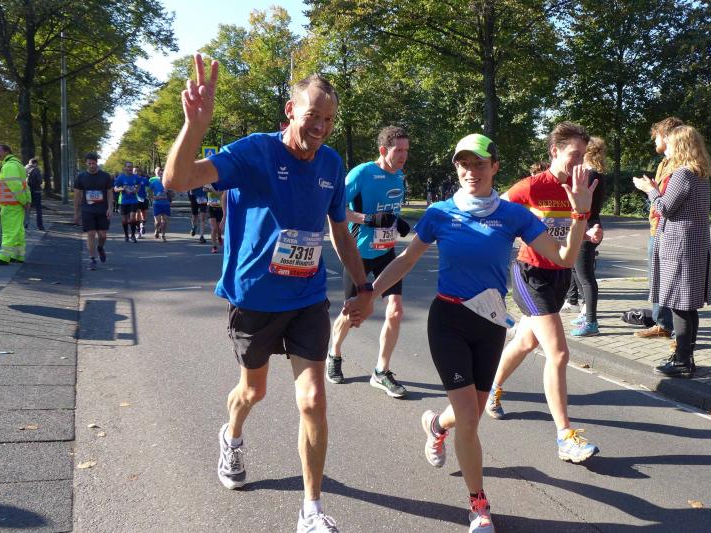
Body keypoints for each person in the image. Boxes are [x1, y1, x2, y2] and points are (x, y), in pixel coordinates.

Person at [163, 54, 374, 533]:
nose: (321, 126)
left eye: (329, 119)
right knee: (253, 391)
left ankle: (311, 510)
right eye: (313, 115)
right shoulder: (254, 152)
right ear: (290, 110)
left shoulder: (332, 163)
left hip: (307, 298)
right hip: (255, 298)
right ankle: (232, 436)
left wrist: (363, 287)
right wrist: (195, 125)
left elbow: (340, 230)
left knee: (313, 399)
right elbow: (177, 180)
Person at [345, 133, 595, 533]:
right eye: (464, 164)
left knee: (469, 415)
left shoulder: (512, 215)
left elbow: (563, 258)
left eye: (479, 164)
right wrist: (369, 294)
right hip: (448, 321)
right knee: (469, 419)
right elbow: (406, 260)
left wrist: (580, 215)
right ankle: (478, 505)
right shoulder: (440, 213)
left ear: (495, 167)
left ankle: (435, 426)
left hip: (490, 325)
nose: (471, 171)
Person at [483, 121, 602, 465]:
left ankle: (491, 388)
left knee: (525, 342)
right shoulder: (533, 186)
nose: (580, 162)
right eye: (574, 154)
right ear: (554, 151)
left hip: (559, 275)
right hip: (530, 274)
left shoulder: (580, 186)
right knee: (559, 353)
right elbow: (495, 209)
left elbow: (571, 230)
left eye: (584, 155)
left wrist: (590, 233)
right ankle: (565, 436)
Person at [327, 126, 411, 397]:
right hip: (359, 254)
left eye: (406, 150)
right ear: (383, 150)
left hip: (386, 253)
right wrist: (368, 219)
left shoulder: (399, 176)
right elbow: (334, 208)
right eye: (398, 150)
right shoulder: (362, 173)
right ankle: (334, 354)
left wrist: (396, 221)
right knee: (351, 313)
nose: (403, 156)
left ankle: (381, 371)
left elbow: (388, 210)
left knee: (395, 310)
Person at [632, 125, 711, 376]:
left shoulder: (682, 173)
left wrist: (650, 190)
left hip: (679, 246)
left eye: (671, 143)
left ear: (680, 146)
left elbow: (665, 208)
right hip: (694, 244)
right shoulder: (700, 173)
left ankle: (681, 362)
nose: (667, 147)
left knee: (680, 305)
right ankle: (686, 357)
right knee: (688, 306)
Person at [633, 117, 684, 340]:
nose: (654, 140)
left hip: (669, 230)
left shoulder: (680, 166)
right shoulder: (664, 163)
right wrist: (652, 188)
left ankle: (676, 332)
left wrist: (649, 190)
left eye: (656, 136)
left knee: (670, 280)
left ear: (666, 136)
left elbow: (669, 203)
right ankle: (662, 323)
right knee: (657, 278)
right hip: (657, 226)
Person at [566, 137, 606, 336]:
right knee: (576, 271)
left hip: (587, 226)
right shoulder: (595, 173)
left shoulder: (589, 175)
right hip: (589, 223)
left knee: (585, 276)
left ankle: (591, 321)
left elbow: (582, 204)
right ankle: (585, 313)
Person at [73, 153, 113, 270]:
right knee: (90, 233)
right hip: (88, 210)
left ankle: (100, 247)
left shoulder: (105, 176)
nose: (91, 165)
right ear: (86, 163)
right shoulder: (81, 177)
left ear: (97, 163)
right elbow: (77, 195)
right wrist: (76, 213)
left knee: (102, 235)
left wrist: (110, 208)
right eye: (89, 163)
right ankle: (92, 259)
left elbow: (109, 192)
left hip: (102, 209)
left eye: (93, 163)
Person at [0, 144, 30, 266]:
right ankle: (18, 255)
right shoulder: (17, 164)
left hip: (10, 204)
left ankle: (3, 257)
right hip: (16, 204)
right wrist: (26, 201)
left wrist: (24, 201)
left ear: (6, 151)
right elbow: (24, 185)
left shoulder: (9, 166)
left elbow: (16, 186)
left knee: (9, 231)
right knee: (18, 230)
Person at [113, 161, 140, 242]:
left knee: (132, 218)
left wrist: (136, 190)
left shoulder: (136, 177)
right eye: (128, 166)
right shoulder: (121, 177)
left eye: (131, 166)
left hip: (133, 201)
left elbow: (138, 187)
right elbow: (115, 189)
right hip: (124, 201)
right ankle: (126, 235)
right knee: (124, 220)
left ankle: (133, 236)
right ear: (125, 168)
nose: (130, 168)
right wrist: (122, 189)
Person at [148, 167, 172, 241]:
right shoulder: (154, 182)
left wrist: (168, 192)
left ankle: (163, 235)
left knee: (164, 221)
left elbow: (173, 194)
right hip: (157, 204)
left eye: (163, 174)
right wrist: (153, 197)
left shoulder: (168, 183)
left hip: (166, 204)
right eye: (160, 174)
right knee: (158, 222)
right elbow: (149, 192)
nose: (161, 175)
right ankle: (157, 230)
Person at [24, 158, 45, 231]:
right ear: (35, 163)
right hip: (36, 191)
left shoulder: (24, 169)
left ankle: (25, 224)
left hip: (27, 191)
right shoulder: (36, 170)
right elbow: (40, 181)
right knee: (38, 209)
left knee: (27, 209)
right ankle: (40, 226)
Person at [204, 183, 224, 253]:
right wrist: (209, 188)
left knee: (219, 228)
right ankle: (214, 247)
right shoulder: (209, 182)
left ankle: (219, 237)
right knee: (214, 228)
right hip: (210, 207)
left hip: (220, 208)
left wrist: (211, 189)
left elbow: (220, 193)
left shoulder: (221, 183)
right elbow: (204, 189)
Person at [133, 167, 150, 238]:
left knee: (144, 213)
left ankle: (142, 225)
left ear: (140, 172)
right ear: (133, 172)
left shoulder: (145, 179)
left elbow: (149, 188)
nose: (137, 172)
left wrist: (149, 195)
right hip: (135, 199)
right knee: (137, 214)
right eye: (135, 171)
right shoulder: (131, 179)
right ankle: (138, 232)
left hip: (144, 198)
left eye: (138, 171)